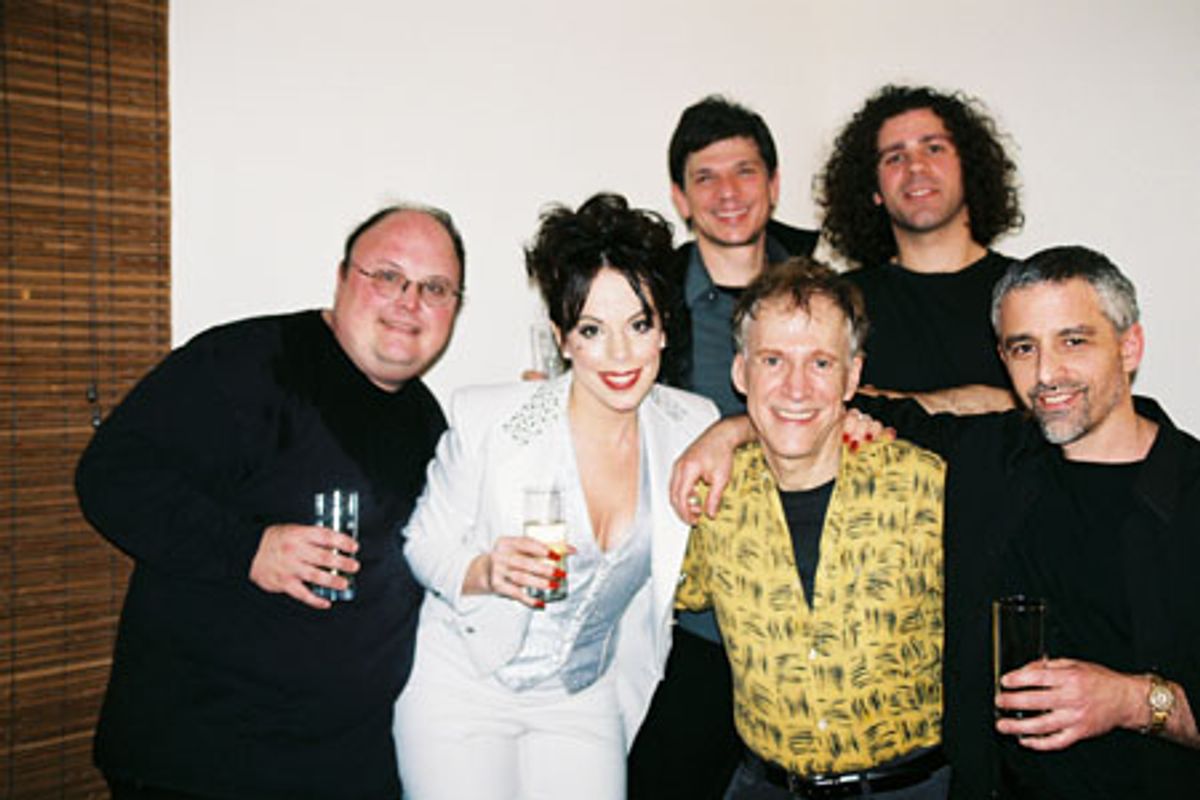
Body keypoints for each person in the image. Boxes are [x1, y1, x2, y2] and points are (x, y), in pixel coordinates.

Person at [672, 247, 1200, 798]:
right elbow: (815, 411)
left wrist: (1135, 701)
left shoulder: (1187, 494)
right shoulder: (989, 462)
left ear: (1130, 345)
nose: (1047, 373)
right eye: (1024, 347)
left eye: (1074, 340)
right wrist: (729, 430)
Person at [74, 204, 465, 799]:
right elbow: (112, 475)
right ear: (340, 278)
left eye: (434, 287)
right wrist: (248, 548)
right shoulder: (248, 363)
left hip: (347, 767)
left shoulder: (426, 419)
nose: (409, 301)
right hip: (204, 763)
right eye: (386, 275)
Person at [393, 193, 719, 800]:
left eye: (638, 325)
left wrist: (746, 428)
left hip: (583, 694)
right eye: (593, 330)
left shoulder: (693, 424)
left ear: (664, 330)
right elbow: (423, 543)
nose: (620, 355)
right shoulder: (492, 419)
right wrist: (484, 570)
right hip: (466, 684)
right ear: (562, 339)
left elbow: (768, 423)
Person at [676, 257, 951, 799]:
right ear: (740, 372)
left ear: (852, 376)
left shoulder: (926, 486)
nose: (796, 387)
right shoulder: (709, 498)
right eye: (773, 360)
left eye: (821, 363)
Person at [629, 95, 819, 799]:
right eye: (705, 177)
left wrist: (733, 426)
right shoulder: (649, 302)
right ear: (680, 196)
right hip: (696, 622)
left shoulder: (831, 288)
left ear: (774, 183)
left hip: (814, 614)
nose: (728, 192)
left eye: (745, 171)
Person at [817, 84, 1022, 407]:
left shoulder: (1028, 291)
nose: (915, 167)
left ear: (968, 167)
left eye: (934, 149)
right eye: (895, 157)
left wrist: (892, 403)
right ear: (875, 190)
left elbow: (1059, 410)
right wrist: (989, 402)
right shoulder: (841, 303)